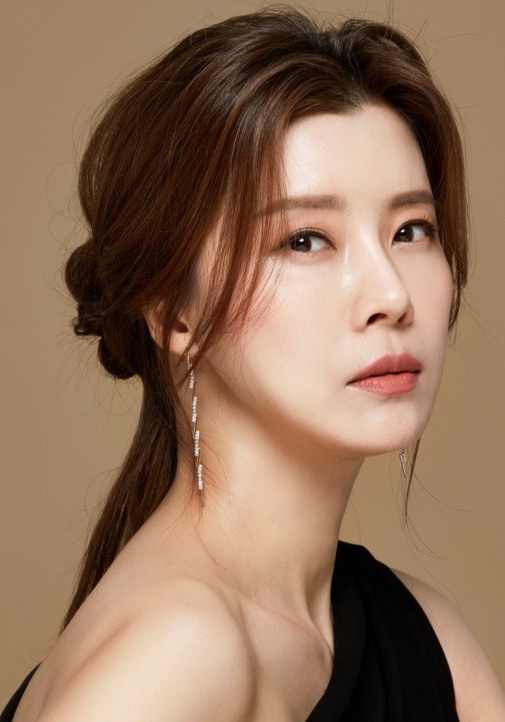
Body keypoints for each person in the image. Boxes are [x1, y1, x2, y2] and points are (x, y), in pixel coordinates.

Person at [2, 7, 504, 722]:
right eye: (305, 240)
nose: (391, 296)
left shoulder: (424, 632)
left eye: (410, 229)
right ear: (175, 313)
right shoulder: (177, 653)